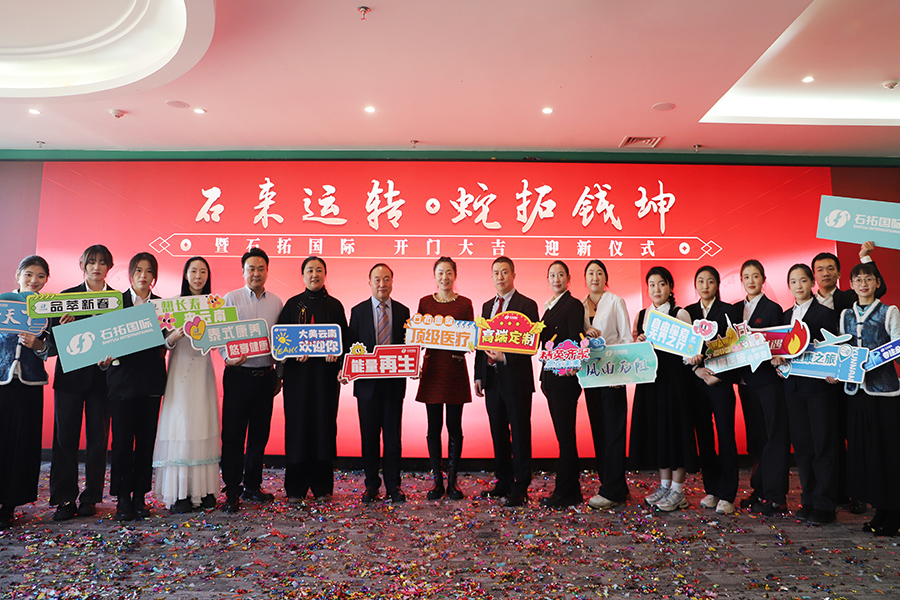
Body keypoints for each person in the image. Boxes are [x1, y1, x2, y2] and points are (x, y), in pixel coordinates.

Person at [812, 242, 886, 515]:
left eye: (831, 268)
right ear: (814, 275)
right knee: (826, 440)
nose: (826, 273)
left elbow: (879, 290)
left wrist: (865, 259)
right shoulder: (806, 303)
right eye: (820, 269)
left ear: (840, 274)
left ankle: (855, 493)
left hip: (850, 382)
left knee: (851, 437)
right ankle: (833, 491)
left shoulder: (848, 299)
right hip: (819, 383)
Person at [48, 244, 115, 521]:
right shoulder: (67, 298)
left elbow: (120, 337)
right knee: (65, 439)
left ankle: (91, 497)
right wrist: (63, 328)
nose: (96, 267)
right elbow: (52, 342)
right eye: (91, 262)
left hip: (103, 379)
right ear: (82, 265)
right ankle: (64, 498)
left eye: (102, 262)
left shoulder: (117, 300)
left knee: (98, 440)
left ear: (109, 267)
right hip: (70, 378)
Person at [152, 256, 221, 514]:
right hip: (180, 371)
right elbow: (164, 343)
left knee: (203, 421)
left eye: (203, 271)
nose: (198, 276)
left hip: (203, 371)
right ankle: (180, 493)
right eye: (193, 271)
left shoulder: (215, 306)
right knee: (181, 424)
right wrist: (173, 336)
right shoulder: (172, 305)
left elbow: (222, 338)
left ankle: (204, 491)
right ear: (185, 275)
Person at [772, 263, 839, 525]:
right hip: (793, 389)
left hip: (820, 389)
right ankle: (808, 499)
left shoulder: (826, 313)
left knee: (823, 445)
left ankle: (825, 505)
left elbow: (835, 349)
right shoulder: (785, 317)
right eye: (793, 281)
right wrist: (778, 363)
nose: (798, 286)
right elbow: (780, 351)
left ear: (812, 282)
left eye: (802, 280)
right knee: (802, 447)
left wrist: (834, 370)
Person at [278, 256, 347, 502]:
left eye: (319, 270)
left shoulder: (335, 306)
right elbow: (280, 343)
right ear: (303, 275)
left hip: (325, 380)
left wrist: (337, 354)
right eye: (309, 270)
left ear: (325, 275)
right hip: (298, 380)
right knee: (297, 428)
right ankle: (295, 487)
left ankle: (322, 486)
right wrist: (292, 352)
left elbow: (345, 341)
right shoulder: (292, 304)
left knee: (324, 428)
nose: (314, 275)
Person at [629, 266, 698, 512]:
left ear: (670, 287)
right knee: (659, 434)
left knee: (676, 433)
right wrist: (639, 342)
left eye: (661, 284)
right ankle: (665, 486)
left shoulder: (680, 313)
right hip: (651, 384)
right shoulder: (642, 315)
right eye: (652, 284)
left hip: (675, 384)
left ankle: (678, 491)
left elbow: (690, 351)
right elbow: (636, 351)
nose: (656, 289)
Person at [219, 248, 283, 513]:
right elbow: (221, 334)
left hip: (265, 377)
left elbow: (282, 340)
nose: (256, 273)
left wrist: (279, 373)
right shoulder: (231, 299)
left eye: (260, 268)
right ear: (243, 271)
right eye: (251, 268)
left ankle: (253, 486)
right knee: (233, 435)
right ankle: (232, 489)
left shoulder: (277, 302)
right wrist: (226, 357)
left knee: (259, 435)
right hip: (238, 376)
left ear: (267, 271)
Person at [105, 253, 167, 521]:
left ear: (154, 277)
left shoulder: (163, 306)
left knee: (145, 442)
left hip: (151, 382)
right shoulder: (115, 303)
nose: (143, 276)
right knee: (121, 443)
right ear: (130, 275)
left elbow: (166, 342)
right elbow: (103, 339)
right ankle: (122, 498)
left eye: (149, 271)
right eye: (139, 270)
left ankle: (140, 496)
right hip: (121, 383)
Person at [474, 257, 539, 508]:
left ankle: (520, 486)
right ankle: (503, 481)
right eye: (496, 273)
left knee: (520, 433)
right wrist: (479, 375)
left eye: (504, 272)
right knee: (498, 431)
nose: (500, 277)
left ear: (513, 275)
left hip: (517, 380)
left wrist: (506, 357)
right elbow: (480, 343)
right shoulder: (487, 306)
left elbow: (532, 344)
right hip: (492, 381)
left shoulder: (527, 305)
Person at [840, 263, 900, 536]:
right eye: (858, 279)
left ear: (877, 282)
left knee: (889, 453)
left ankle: (895, 512)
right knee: (867, 454)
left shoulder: (889, 311)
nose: (863, 284)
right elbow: (842, 350)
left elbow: (898, 346)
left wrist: (871, 361)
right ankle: (880, 510)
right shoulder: (845, 315)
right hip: (856, 393)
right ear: (851, 284)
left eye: (868, 279)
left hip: (884, 393)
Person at [347, 263, 409, 504]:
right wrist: (346, 369)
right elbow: (351, 347)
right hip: (367, 387)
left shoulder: (403, 311)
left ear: (392, 282)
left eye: (386, 279)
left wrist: (414, 365)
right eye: (377, 279)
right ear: (370, 282)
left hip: (393, 386)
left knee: (393, 439)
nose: (382, 284)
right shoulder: (358, 311)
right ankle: (371, 484)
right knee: (369, 438)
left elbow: (409, 346)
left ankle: (394, 485)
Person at [415, 257, 474, 500]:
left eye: (449, 272)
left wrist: (468, 340)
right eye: (440, 272)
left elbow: (470, 340)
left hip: (455, 370)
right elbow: (417, 339)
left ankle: (452, 481)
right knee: (433, 427)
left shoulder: (465, 304)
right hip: (432, 371)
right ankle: (437, 481)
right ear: (435, 275)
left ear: (455, 275)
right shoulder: (425, 302)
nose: (445, 277)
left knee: (455, 426)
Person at [0, 256, 52, 529]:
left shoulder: (49, 308)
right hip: (2, 380)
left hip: (30, 382)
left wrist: (39, 345)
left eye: (40, 276)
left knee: (22, 443)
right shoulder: (3, 303)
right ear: (18, 275)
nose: (34, 280)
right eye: (29, 274)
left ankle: (9, 504)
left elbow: (53, 349)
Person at [734, 259, 790, 515]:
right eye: (746, 277)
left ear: (763, 279)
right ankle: (760, 490)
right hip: (745, 383)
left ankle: (777, 497)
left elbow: (779, 343)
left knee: (774, 436)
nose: (751, 281)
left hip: (768, 382)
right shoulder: (735, 310)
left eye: (755, 276)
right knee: (756, 440)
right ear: (741, 281)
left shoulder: (773, 308)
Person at [685, 266, 741, 516]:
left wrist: (719, 375)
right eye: (700, 281)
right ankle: (712, 489)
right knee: (704, 438)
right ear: (695, 285)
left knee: (726, 436)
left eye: (710, 281)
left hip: (721, 383)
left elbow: (738, 348)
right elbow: (681, 350)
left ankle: (728, 494)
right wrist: (697, 371)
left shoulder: (729, 311)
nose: (705, 286)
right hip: (697, 384)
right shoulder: (688, 313)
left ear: (718, 284)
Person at [581, 259, 632, 511]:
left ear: (605, 278)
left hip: (613, 377)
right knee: (600, 432)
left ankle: (611, 490)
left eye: (599, 273)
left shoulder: (615, 301)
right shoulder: (580, 305)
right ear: (585, 278)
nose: (595, 277)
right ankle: (614, 485)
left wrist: (620, 377)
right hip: (591, 377)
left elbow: (626, 338)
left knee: (614, 432)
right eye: (590, 273)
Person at [539, 260, 586, 508]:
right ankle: (572, 489)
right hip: (550, 377)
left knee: (566, 437)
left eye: (560, 275)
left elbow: (574, 337)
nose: (556, 279)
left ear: (568, 278)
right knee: (563, 436)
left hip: (565, 378)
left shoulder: (573, 304)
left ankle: (564, 490)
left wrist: (571, 365)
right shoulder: (550, 305)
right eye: (552, 275)